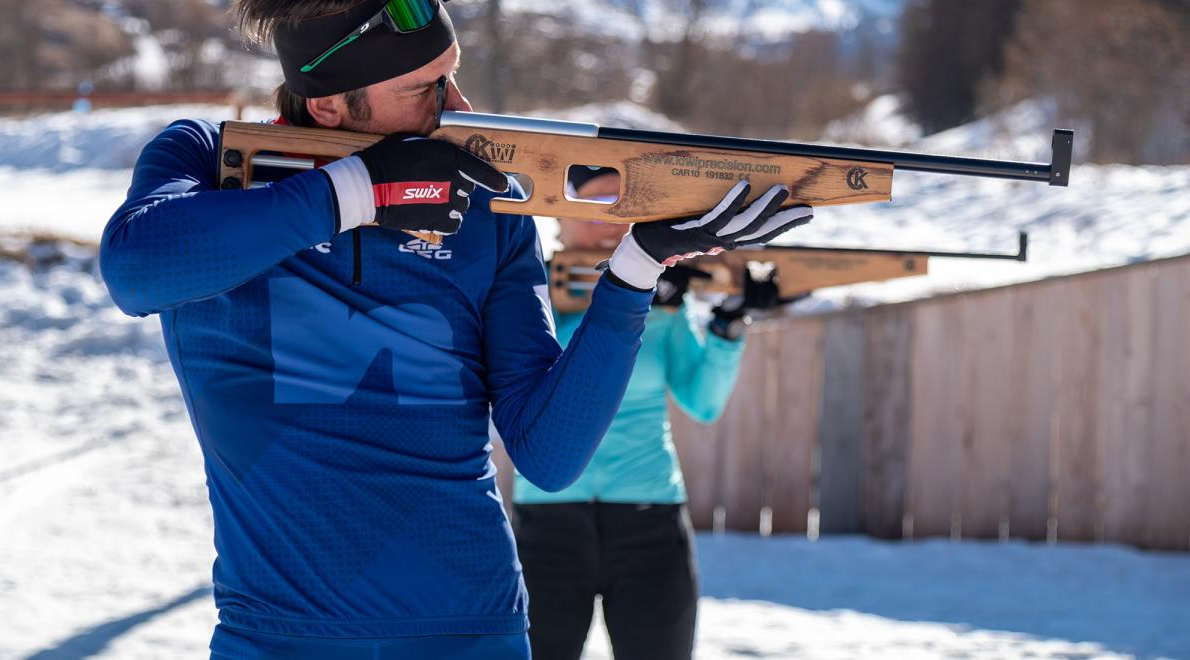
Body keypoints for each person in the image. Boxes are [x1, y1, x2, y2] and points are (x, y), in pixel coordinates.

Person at [98, 1, 813, 657]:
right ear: (326, 102)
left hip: (475, 631)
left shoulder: (480, 212)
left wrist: (634, 270)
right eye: (425, 88)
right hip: (278, 636)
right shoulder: (208, 162)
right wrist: (362, 192)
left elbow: (548, 452)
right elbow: (138, 268)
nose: (460, 108)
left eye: (453, 78)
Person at [512, 167, 789, 660]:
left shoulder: (664, 304)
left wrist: (729, 323)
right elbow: (530, 381)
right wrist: (621, 299)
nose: (612, 222)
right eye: (596, 208)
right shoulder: (529, 297)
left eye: (625, 208)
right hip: (547, 523)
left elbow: (703, 402)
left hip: (651, 520)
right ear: (561, 218)